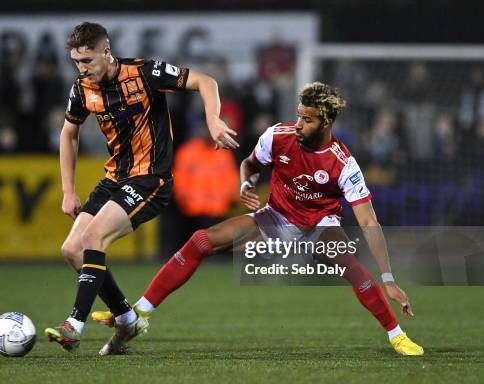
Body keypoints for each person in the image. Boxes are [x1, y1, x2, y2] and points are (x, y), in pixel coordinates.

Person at [93, 82, 425, 356]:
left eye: (307, 120)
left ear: (326, 122)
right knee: (200, 241)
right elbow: (249, 164)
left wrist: (389, 277)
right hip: (275, 219)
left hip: (318, 227)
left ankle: (397, 336)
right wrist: (246, 183)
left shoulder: (343, 165)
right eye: (298, 116)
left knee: (355, 271)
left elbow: (369, 222)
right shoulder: (277, 136)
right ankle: (139, 314)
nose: (298, 125)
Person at [44, 22, 238, 355]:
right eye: (77, 62)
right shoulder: (81, 89)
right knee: (72, 250)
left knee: (93, 238)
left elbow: (206, 81)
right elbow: (68, 134)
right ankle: (126, 316)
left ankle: (74, 324)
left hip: (151, 179)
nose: (82, 69)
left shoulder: (146, 72)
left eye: (87, 61)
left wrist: (213, 119)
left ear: (106, 52)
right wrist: (68, 190)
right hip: (114, 178)